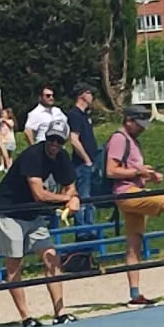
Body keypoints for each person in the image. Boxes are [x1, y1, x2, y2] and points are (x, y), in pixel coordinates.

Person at [0, 117, 79, 327]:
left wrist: (72, 196)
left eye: (59, 141)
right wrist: (67, 199)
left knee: (51, 258)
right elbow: (39, 193)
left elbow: (70, 184)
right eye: (51, 140)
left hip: (33, 214)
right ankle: (26, 317)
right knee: (15, 264)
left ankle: (60, 312)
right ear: (46, 138)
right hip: (8, 212)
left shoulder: (62, 157)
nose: (54, 145)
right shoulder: (33, 155)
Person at [101, 103, 164, 308]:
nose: (143, 128)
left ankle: (135, 294)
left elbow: (133, 171)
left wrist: (148, 176)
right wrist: (139, 173)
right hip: (126, 194)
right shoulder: (119, 139)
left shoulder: (133, 141)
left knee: (134, 244)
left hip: (133, 191)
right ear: (128, 121)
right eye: (140, 124)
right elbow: (111, 171)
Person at [65, 85, 102, 226]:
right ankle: (82, 230)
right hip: (81, 164)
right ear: (81, 95)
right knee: (83, 197)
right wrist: (86, 160)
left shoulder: (85, 115)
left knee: (90, 199)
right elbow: (74, 139)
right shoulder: (74, 115)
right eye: (89, 93)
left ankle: (91, 228)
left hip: (91, 161)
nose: (92, 96)